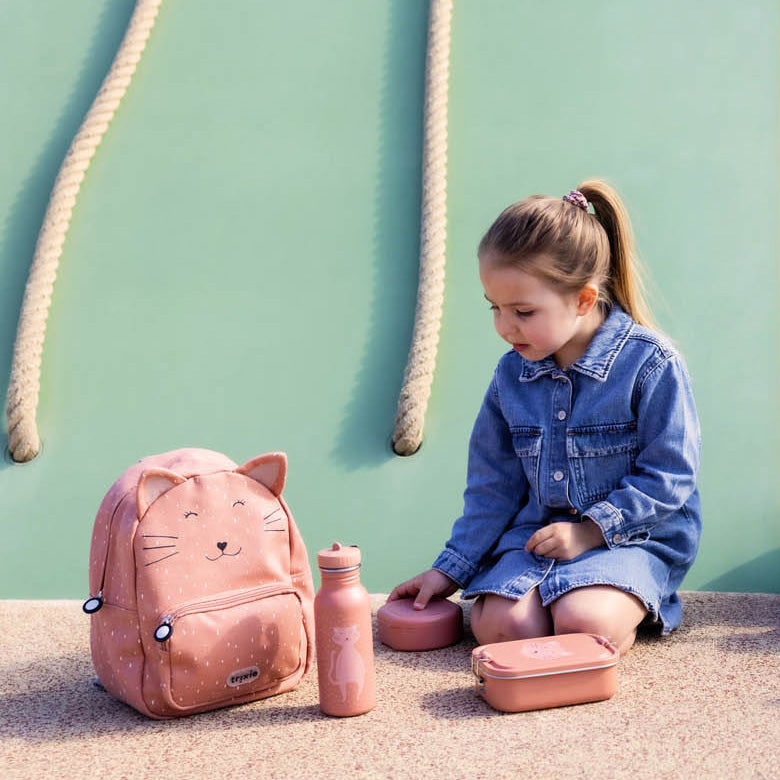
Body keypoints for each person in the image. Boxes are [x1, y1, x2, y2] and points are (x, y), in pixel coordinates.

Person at [388, 180, 701, 655]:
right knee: (501, 628)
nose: (504, 327)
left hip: (629, 540)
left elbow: (670, 475)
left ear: (582, 299)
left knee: (583, 620)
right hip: (533, 539)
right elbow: (492, 487)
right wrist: (448, 568)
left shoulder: (652, 364)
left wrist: (590, 531)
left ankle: (623, 601)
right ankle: (557, 602)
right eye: (495, 308)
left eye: (523, 311)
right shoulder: (511, 376)